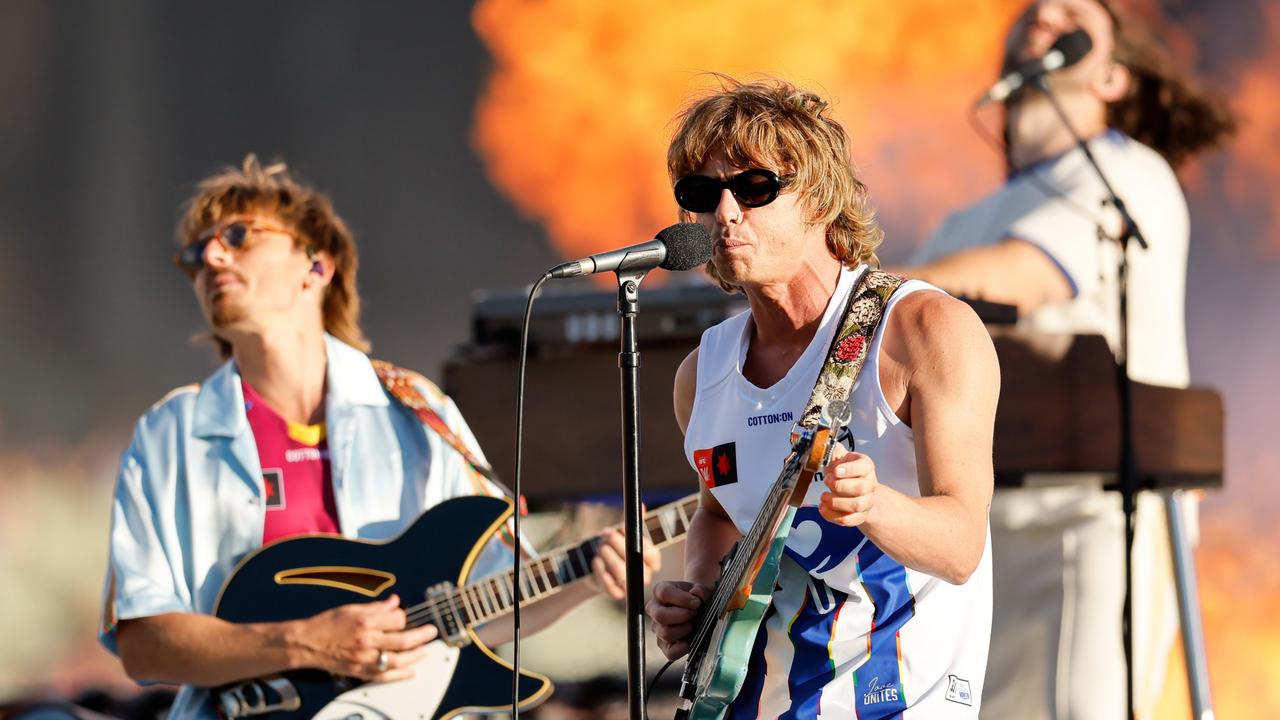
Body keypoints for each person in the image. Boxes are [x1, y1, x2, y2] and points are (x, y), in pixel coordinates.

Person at [97, 155, 660, 719]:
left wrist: (589, 575)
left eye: (238, 236)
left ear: (317, 266)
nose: (212, 257)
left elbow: (492, 597)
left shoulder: (417, 410)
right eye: (195, 256)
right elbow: (143, 645)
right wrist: (303, 640)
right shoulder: (170, 433)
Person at [899, 1, 1235, 717]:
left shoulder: (1125, 172)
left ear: (1113, 76)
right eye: (1032, 12)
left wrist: (854, 290)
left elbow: (1025, 276)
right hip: (977, 534)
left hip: (1094, 519)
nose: (1044, 13)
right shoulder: (964, 220)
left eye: (1071, 13)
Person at [644, 77, 1000, 717]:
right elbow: (721, 515)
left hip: (898, 699)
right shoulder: (702, 373)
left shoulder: (923, 329)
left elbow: (962, 546)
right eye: (703, 194)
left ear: (819, 195)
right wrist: (694, 598)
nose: (725, 213)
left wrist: (873, 504)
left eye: (753, 188)